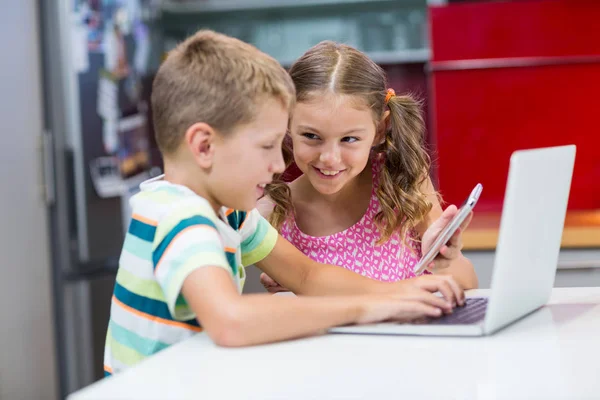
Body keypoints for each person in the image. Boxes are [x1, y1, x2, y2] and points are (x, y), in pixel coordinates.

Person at [103, 30, 466, 376]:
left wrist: (400, 293)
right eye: (266, 146)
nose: (279, 165)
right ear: (204, 147)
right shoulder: (181, 216)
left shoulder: (227, 213)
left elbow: (308, 274)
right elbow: (231, 321)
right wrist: (369, 306)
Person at [260, 41, 478, 293]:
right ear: (287, 122)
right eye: (311, 136)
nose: (330, 158)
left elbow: (469, 282)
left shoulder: (401, 181)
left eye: (349, 139)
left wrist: (444, 262)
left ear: (379, 130)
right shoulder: (273, 210)